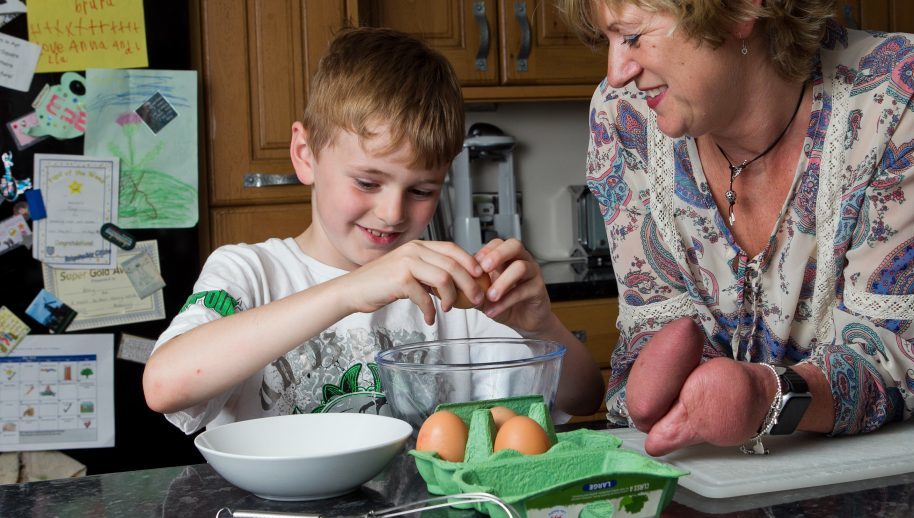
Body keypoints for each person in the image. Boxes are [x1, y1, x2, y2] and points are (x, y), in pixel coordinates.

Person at [556, 0, 914, 457]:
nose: (617, 71)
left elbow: (891, 352)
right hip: (728, 478)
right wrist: (660, 366)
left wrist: (764, 396)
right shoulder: (623, 119)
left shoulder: (905, 97)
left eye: (632, 35)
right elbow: (656, 330)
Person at [143, 27, 603, 432]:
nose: (391, 212)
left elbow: (583, 399)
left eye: (422, 190)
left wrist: (541, 326)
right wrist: (349, 290)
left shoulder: (449, 288)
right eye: (367, 182)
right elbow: (164, 385)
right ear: (305, 153)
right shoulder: (252, 272)